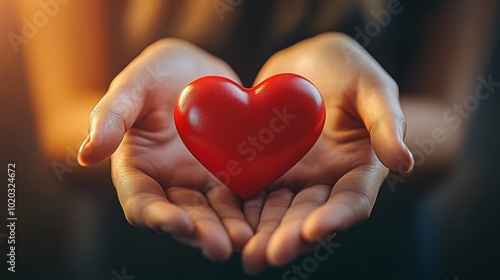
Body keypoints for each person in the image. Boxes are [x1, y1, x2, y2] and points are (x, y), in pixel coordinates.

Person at [17, 0, 497, 275]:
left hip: (375, 256)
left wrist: (374, 127)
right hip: (142, 256)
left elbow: (449, 119)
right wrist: (129, 124)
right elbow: (63, 117)